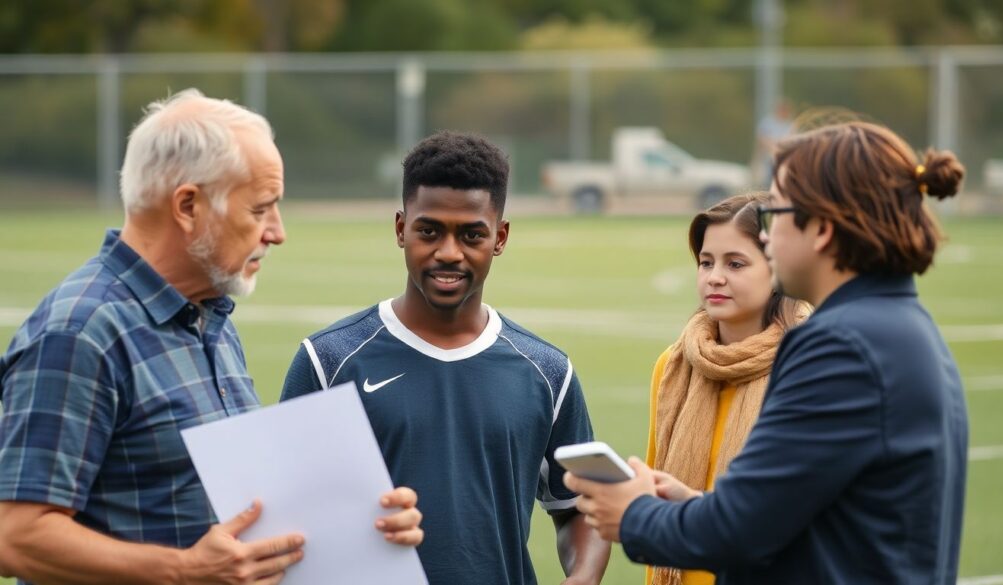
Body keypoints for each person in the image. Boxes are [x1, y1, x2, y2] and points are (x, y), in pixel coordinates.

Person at [0, 89, 422, 585]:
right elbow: (16, 537)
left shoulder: (210, 317)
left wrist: (361, 524)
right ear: (188, 206)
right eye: (260, 208)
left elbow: (231, 522)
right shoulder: (81, 332)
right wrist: (181, 571)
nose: (277, 232)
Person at [567, 120, 969, 584]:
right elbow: (804, 522)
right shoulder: (897, 324)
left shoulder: (841, 344)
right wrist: (695, 505)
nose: (767, 235)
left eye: (774, 215)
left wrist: (633, 514)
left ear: (819, 228)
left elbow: (737, 533)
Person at [280, 131, 611, 585]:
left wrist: (583, 578)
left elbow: (583, 508)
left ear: (500, 237)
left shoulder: (548, 372)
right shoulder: (327, 360)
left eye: (472, 234)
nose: (449, 253)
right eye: (429, 230)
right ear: (401, 229)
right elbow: (281, 514)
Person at [644, 192, 805, 585]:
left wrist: (694, 506)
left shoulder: (807, 370)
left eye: (735, 263)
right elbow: (656, 493)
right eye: (705, 262)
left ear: (779, 269)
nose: (715, 276)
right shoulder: (675, 364)